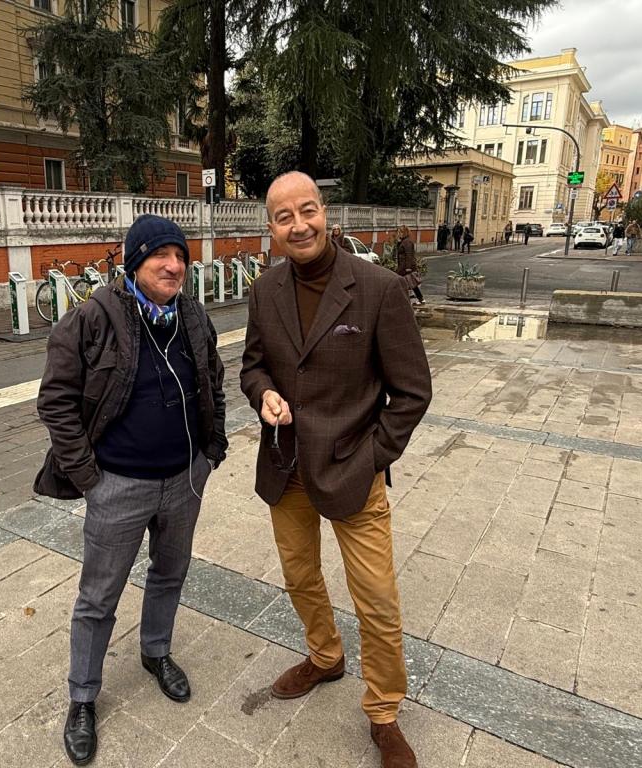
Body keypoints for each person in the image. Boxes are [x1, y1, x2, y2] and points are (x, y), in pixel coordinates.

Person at [240, 171, 432, 768]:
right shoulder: (264, 290)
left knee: (375, 597)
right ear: (270, 228)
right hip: (286, 466)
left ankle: (384, 711)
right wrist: (262, 394)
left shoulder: (377, 288)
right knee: (300, 577)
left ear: (326, 213)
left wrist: (374, 457)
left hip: (354, 470)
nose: (298, 225)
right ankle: (325, 656)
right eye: (283, 216)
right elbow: (252, 366)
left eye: (307, 211)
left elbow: (412, 391)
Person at [37, 214, 229, 766]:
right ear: (134, 261)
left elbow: (211, 378)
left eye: (181, 256)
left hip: (184, 478)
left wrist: (210, 453)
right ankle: (82, 698)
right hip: (117, 484)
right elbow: (56, 402)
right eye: (159, 256)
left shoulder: (193, 315)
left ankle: (156, 652)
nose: (174, 266)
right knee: (98, 597)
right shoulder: (92, 317)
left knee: (170, 573)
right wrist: (89, 479)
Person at [395, 225, 423, 305]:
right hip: (403, 266)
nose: (398, 234)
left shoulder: (407, 242)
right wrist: (399, 242)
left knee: (405, 283)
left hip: (405, 267)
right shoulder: (404, 241)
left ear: (404, 233)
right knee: (411, 283)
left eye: (400, 232)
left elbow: (409, 255)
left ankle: (417, 299)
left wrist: (408, 267)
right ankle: (420, 299)